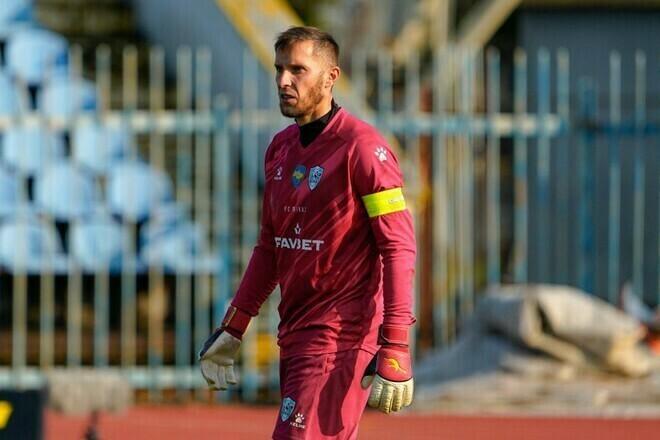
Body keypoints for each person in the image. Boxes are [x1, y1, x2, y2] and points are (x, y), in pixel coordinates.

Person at [199, 26, 416, 440]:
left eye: (298, 70)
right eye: (279, 69)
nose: (284, 80)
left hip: (340, 338)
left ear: (331, 77)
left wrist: (396, 343)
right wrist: (234, 325)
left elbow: (399, 247)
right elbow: (270, 248)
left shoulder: (363, 149)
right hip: (296, 333)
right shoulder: (280, 149)